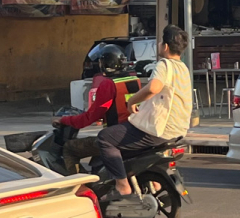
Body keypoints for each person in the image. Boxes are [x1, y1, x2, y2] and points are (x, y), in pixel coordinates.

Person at [96, 25, 192, 205]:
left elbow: (154, 87)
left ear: (165, 46)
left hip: (160, 129)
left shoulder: (165, 64)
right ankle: (155, 183)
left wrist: (132, 101)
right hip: (178, 130)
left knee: (105, 138)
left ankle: (122, 185)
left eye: (161, 41)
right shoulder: (183, 68)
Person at [55, 44, 140, 174]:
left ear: (105, 63)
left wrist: (64, 120)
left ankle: (81, 187)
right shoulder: (135, 80)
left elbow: (90, 117)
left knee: (69, 149)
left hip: (115, 135)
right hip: (135, 132)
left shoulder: (109, 84)